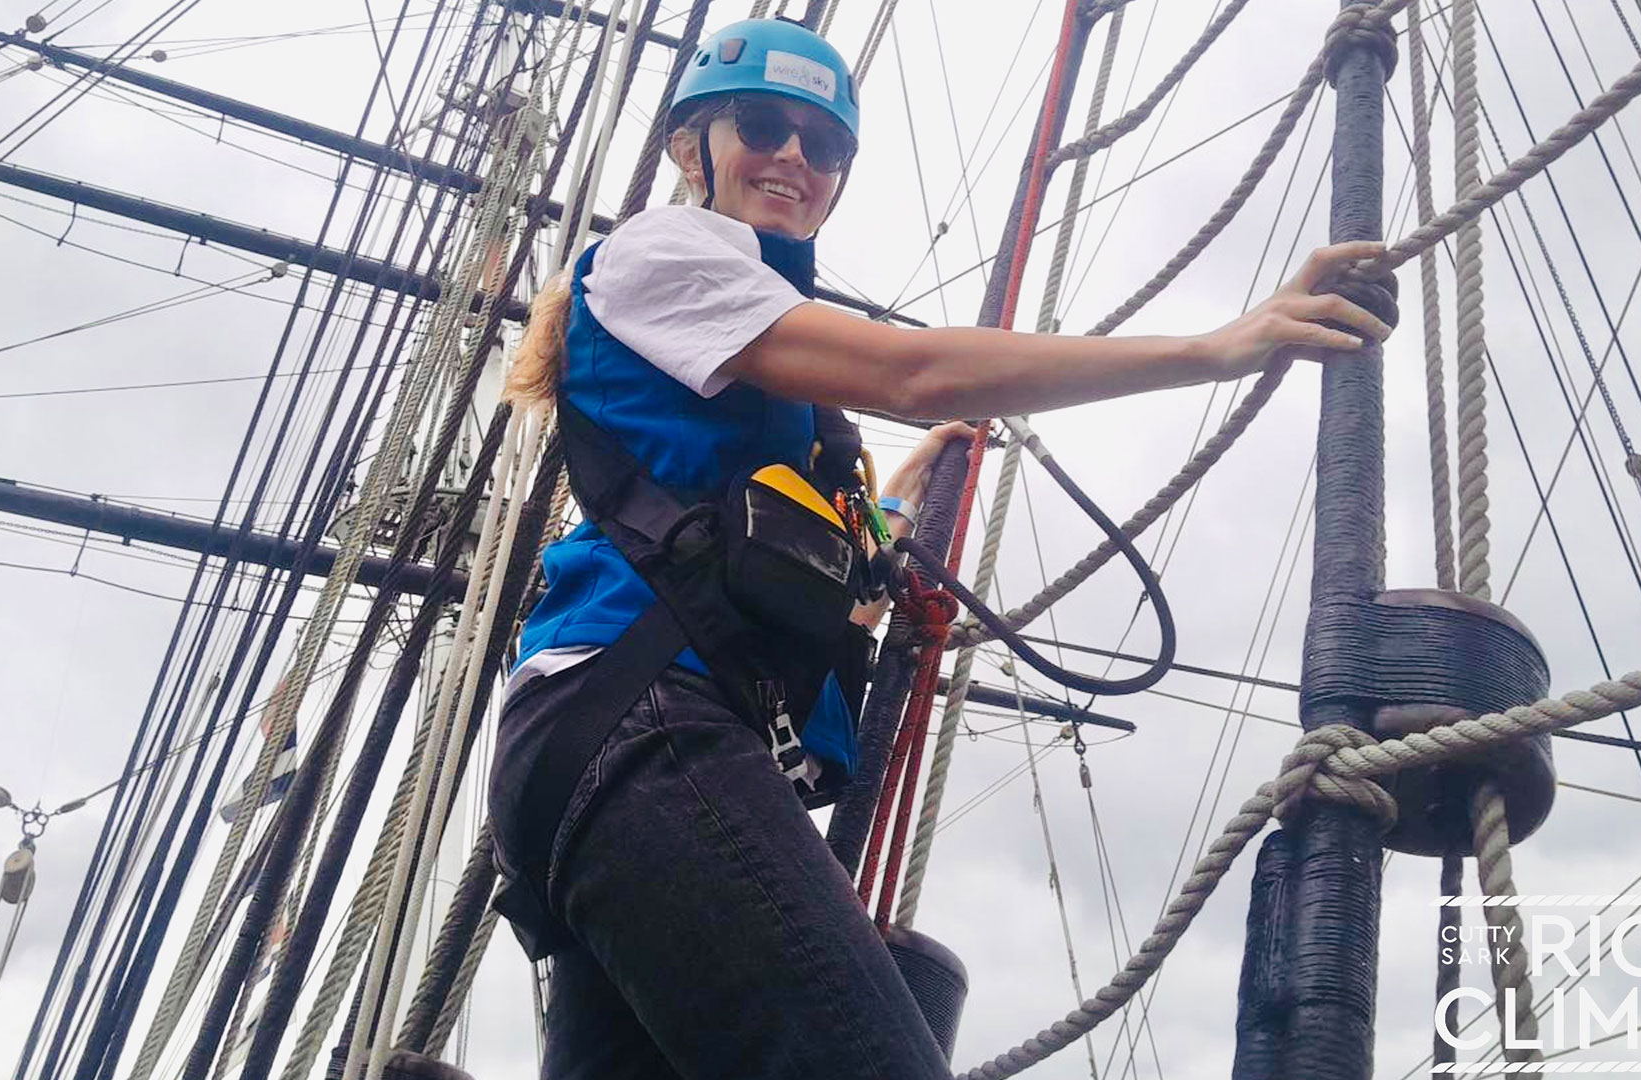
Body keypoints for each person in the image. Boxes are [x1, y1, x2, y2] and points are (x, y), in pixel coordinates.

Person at [486, 17, 1393, 1080]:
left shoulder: (767, 372)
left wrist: (893, 511)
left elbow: (775, 562)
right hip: (642, 729)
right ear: (695, 148)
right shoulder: (663, 253)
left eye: (822, 146)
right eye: (765, 127)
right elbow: (914, 371)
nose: (792, 158)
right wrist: (1221, 344)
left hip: (608, 756)